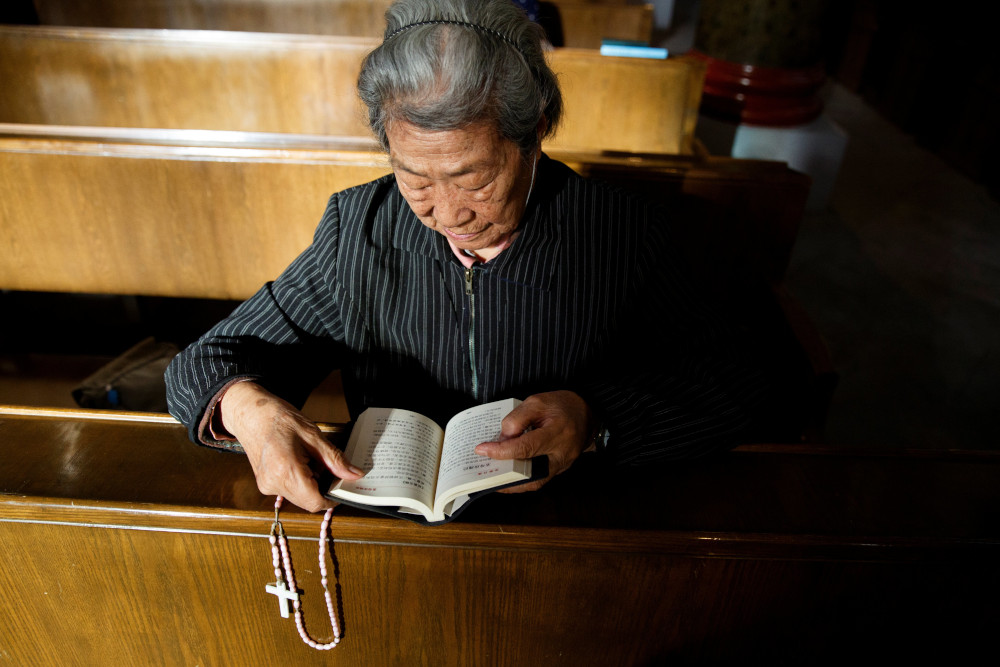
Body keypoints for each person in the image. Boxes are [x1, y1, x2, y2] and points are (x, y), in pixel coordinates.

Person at [165, 0, 770, 513]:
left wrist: (596, 417)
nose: (447, 213)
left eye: (473, 178)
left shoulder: (619, 232)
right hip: (399, 535)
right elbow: (205, 361)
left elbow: (738, 377)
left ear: (533, 136)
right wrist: (246, 408)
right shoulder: (359, 228)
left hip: (571, 523)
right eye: (416, 179)